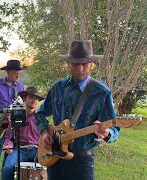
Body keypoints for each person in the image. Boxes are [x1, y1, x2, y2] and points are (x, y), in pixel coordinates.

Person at [36, 40, 120, 180]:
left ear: (91, 65)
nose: (80, 68)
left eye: (84, 64)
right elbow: (40, 113)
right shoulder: (58, 88)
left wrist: (107, 133)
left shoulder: (101, 92)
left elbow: (114, 129)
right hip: (55, 157)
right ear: (69, 63)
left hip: (82, 162)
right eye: (75, 64)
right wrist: (45, 132)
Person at [0, 60, 26, 180]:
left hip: (14, 125)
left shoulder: (21, 86)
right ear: (7, 71)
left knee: (9, 155)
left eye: (18, 73)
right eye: (14, 73)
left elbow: (21, 106)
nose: (17, 76)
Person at [1, 87, 44, 180]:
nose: (34, 100)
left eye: (36, 98)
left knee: (47, 168)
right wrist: (8, 145)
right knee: (8, 168)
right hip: (19, 149)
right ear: (25, 98)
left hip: (36, 150)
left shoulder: (41, 118)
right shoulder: (16, 115)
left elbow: (45, 137)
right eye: (31, 97)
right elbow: (9, 136)